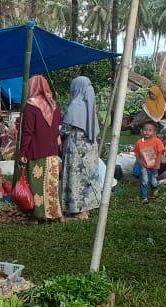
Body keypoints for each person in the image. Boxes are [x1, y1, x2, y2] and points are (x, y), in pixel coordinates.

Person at [18, 75, 63, 221]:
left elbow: (28, 132)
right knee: (52, 184)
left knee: (36, 185)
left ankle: (38, 216)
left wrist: (23, 151)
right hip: (52, 152)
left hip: (36, 151)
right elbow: (57, 130)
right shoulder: (54, 105)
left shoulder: (31, 106)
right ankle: (54, 214)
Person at [60, 76, 102, 219]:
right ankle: (86, 208)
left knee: (75, 177)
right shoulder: (90, 106)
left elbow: (65, 129)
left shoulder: (75, 106)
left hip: (76, 148)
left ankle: (77, 210)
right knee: (88, 176)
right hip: (90, 148)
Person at [134, 121, 165, 203]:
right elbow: (137, 153)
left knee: (153, 181)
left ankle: (155, 189)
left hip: (154, 166)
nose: (147, 132)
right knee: (144, 180)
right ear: (142, 131)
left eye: (150, 130)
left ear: (154, 132)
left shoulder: (157, 141)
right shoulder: (139, 142)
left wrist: (157, 165)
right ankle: (144, 197)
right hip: (143, 165)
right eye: (145, 130)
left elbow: (160, 153)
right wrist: (139, 162)